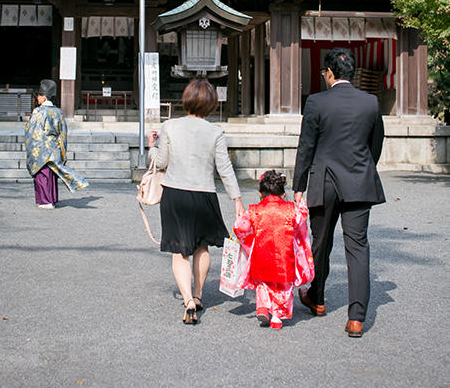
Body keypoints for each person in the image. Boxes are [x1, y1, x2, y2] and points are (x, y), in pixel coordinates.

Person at [292, 47, 385, 338]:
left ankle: (317, 299)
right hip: (359, 180)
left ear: (330, 73)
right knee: (358, 247)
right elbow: (376, 144)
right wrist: (362, 169)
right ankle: (356, 318)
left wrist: (299, 185)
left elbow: (306, 145)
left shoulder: (316, 102)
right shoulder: (370, 102)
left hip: (325, 181)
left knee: (320, 243)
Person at [147, 79, 245, 325]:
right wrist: (237, 199)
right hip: (204, 195)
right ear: (211, 104)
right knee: (202, 247)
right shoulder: (215, 131)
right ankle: (199, 295)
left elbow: (160, 162)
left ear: (187, 99)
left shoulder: (170, 125)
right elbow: (225, 168)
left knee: (180, 252)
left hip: (175, 194)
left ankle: (188, 299)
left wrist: (151, 147)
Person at [233, 170, 314, 330]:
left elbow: (240, 226)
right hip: (285, 257)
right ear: (283, 194)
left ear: (259, 193)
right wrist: (302, 203)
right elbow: (301, 219)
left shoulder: (255, 210)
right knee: (283, 287)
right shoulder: (291, 210)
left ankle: (262, 307)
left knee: (263, 283)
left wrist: (242, 221)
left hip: (261, 255)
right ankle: (277, 317)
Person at [25, 79, 89, 209]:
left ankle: (46, 201)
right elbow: (63, 133)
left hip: (41, 148)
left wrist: (33, 152)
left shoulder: (38, 112)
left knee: (42, 173)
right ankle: (52, 198)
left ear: (43, 97)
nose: (37, 98)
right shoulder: (58, 112)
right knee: (52, 172)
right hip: (54, 147)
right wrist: (62, 151)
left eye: (38, 96)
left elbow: (32, 132)